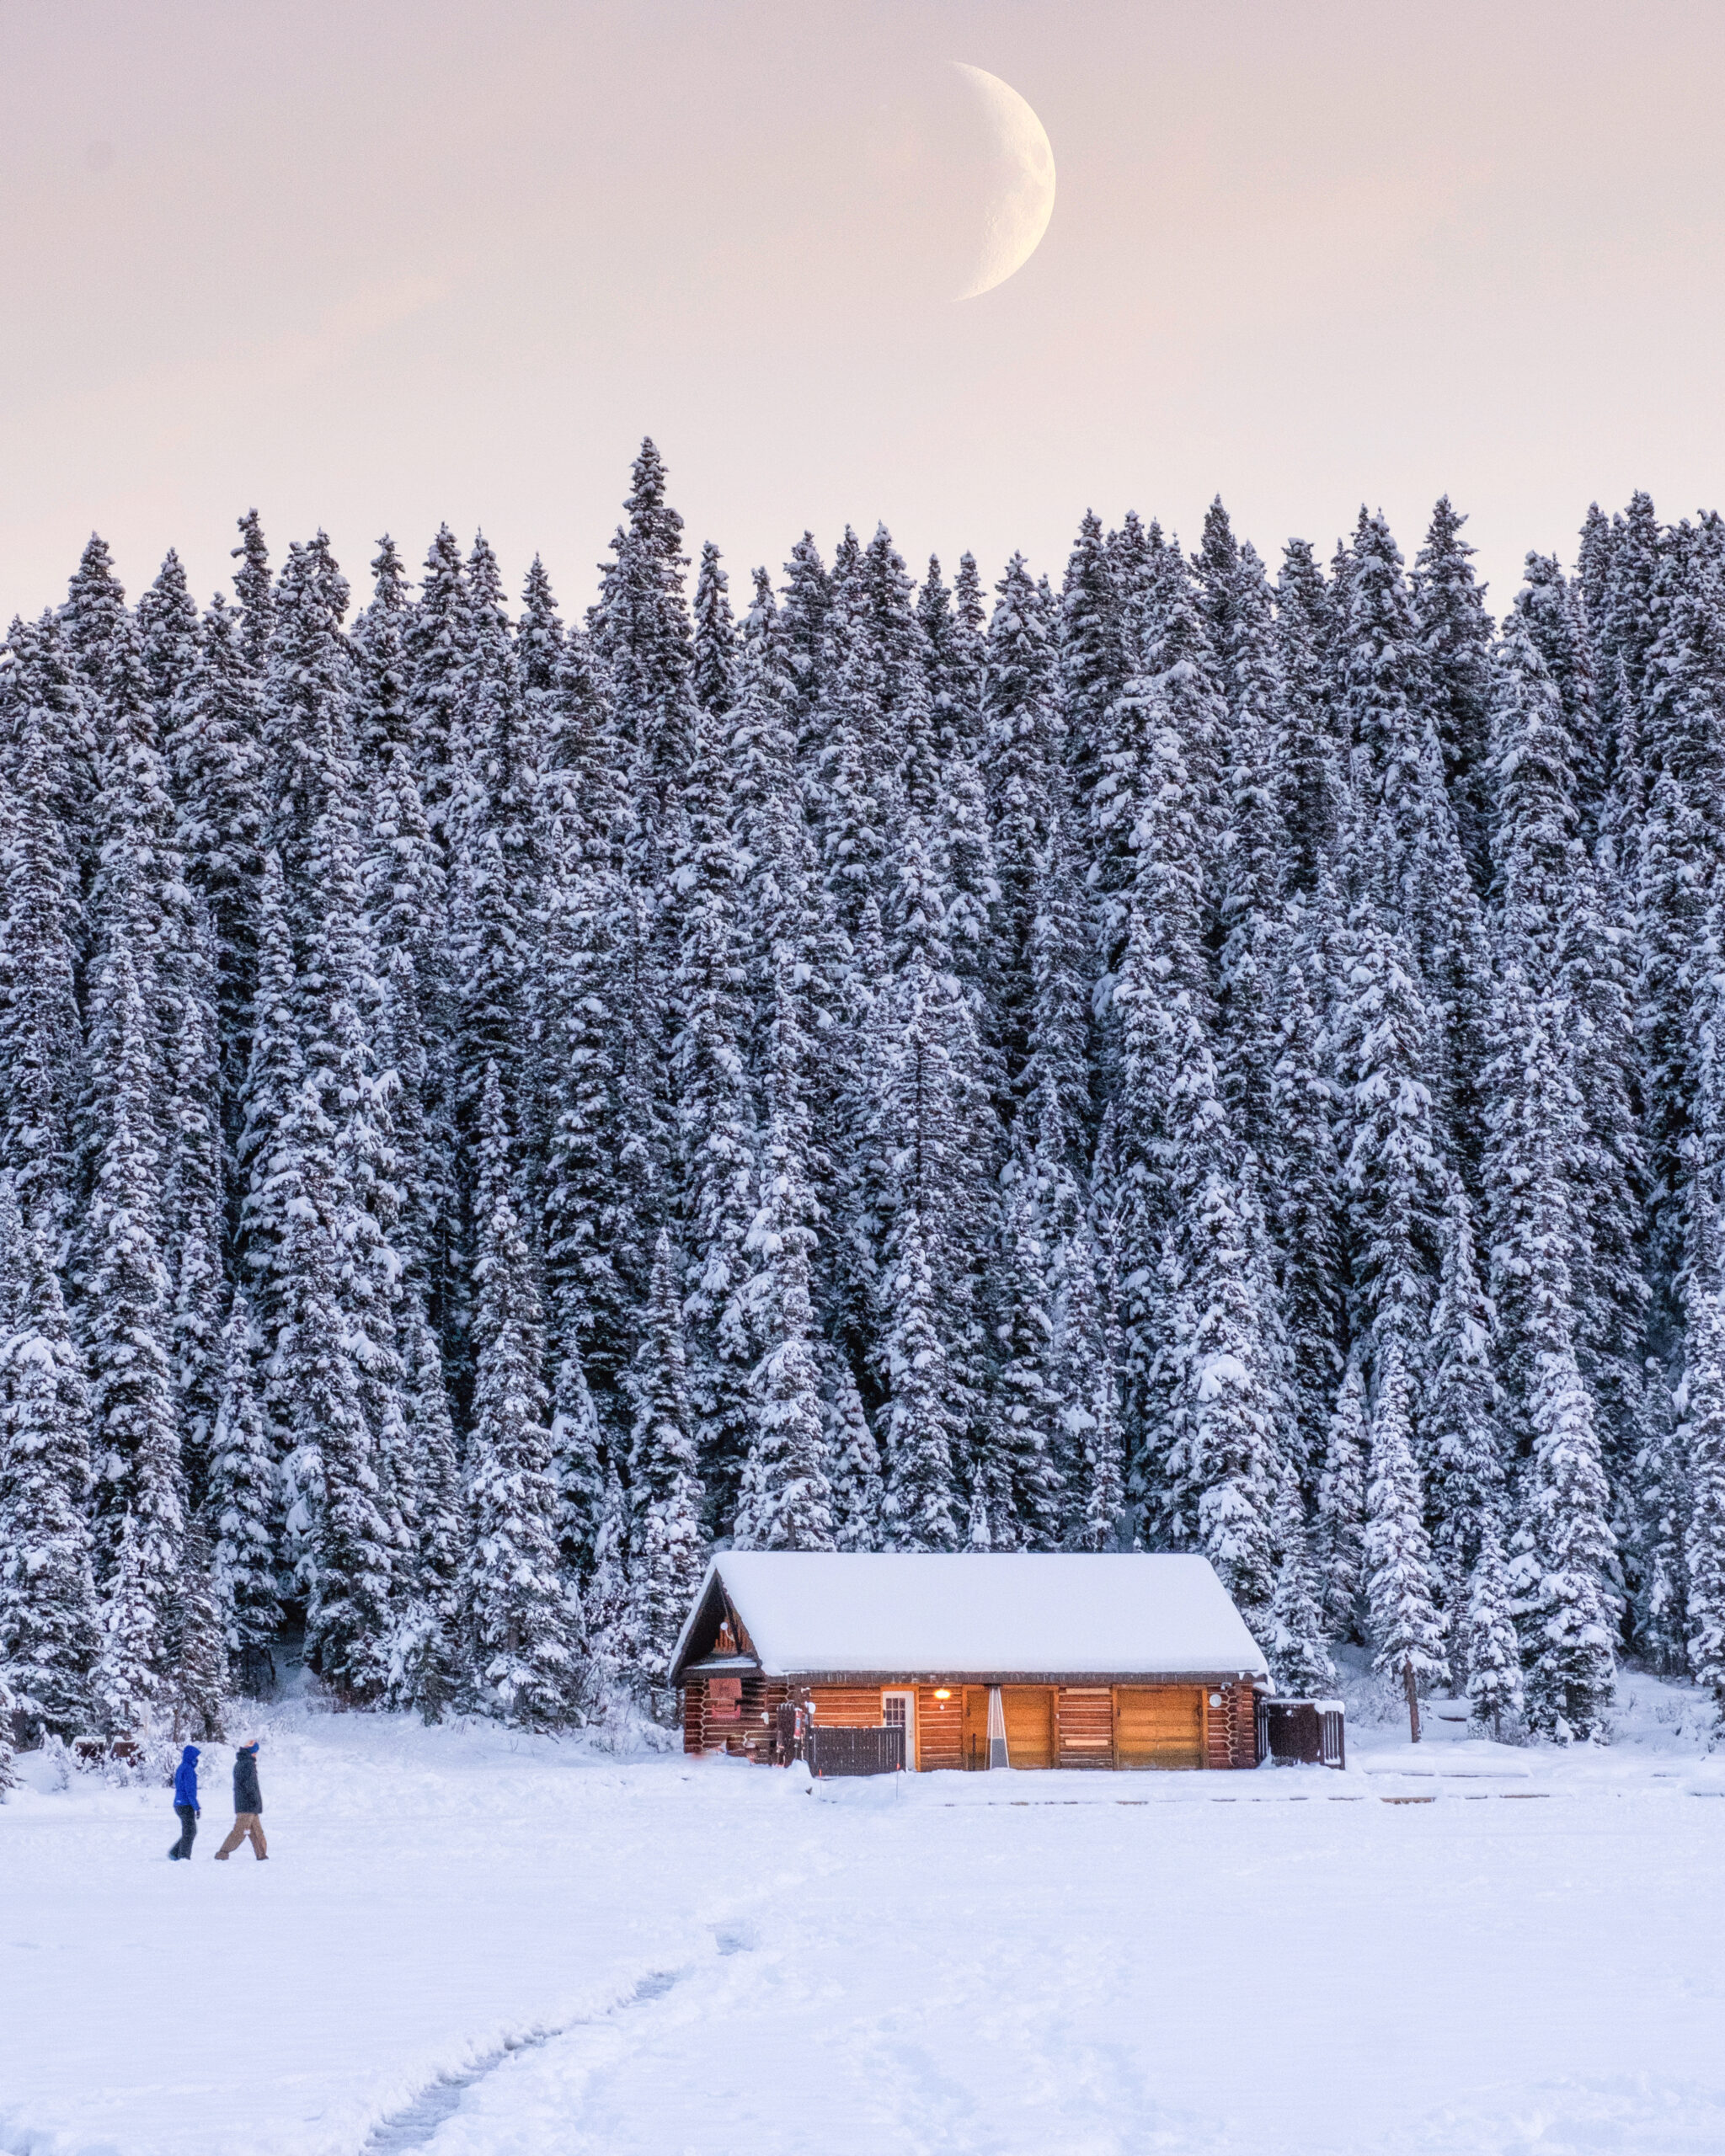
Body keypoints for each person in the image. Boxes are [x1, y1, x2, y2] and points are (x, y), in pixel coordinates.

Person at [213, 1739, 267, 1860]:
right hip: (247, 1805)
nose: (256, 1754)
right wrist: (255, 1800)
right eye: (256, 1752)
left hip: (248, 1805)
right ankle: (222, 1854)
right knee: (239, 1832)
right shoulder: (247, 1764)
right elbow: (250, 1785)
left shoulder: (242, 1762)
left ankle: (262, 1856)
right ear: (252, 1752)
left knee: (257, 1833)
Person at [168, 1744, 200, 1860]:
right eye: (195, 1757)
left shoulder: (182, 1767)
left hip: (179, 1803)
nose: (197, 1760)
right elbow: (190, 1791)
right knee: (190, 1832)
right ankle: (183, 1857)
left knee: (189, 1831)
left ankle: (175, 1853)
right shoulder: (188, 1770)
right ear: (191, 1757)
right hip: (186, 1804)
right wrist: (196, 1807)